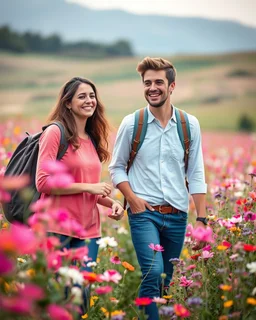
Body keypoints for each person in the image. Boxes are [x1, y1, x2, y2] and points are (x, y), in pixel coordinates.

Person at [109, 57, 207, 320]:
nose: (152, 87)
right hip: (144, 214)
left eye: (158, 82)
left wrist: (202, 219)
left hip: (177, 216)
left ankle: (147, 313)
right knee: (152, 273)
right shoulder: (133, 123)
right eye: (147, 82)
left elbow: (196, 173)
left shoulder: (189, 125)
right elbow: (116, 167)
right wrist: (132, 198)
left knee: (166, 281)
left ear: (172, 86)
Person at [36, 76, 124, 312]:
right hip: (58, 228)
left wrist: (111, 202)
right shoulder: (55, 133)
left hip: (88, 231)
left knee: (81, 298)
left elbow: (89, 189)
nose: (89, 101)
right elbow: (43, 182)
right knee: (62, 297)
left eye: (92, 96)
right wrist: (89, 187)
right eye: (82, 96)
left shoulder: (91, 139)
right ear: (67, 103)